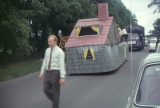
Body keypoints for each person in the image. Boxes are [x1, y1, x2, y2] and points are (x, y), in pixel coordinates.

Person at [39, 35, 66, 108]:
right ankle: (55, 100)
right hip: (48, 72)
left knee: (55, 91)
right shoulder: (47, 50)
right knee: (46, 90)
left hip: (55, 72)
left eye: (50, 41)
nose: (49, 43)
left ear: (55, 41)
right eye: (48, 41)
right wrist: (42, 72)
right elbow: (45, 61)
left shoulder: (60, 52)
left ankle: (55, 105)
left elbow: (61, 64)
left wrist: (62, 77)